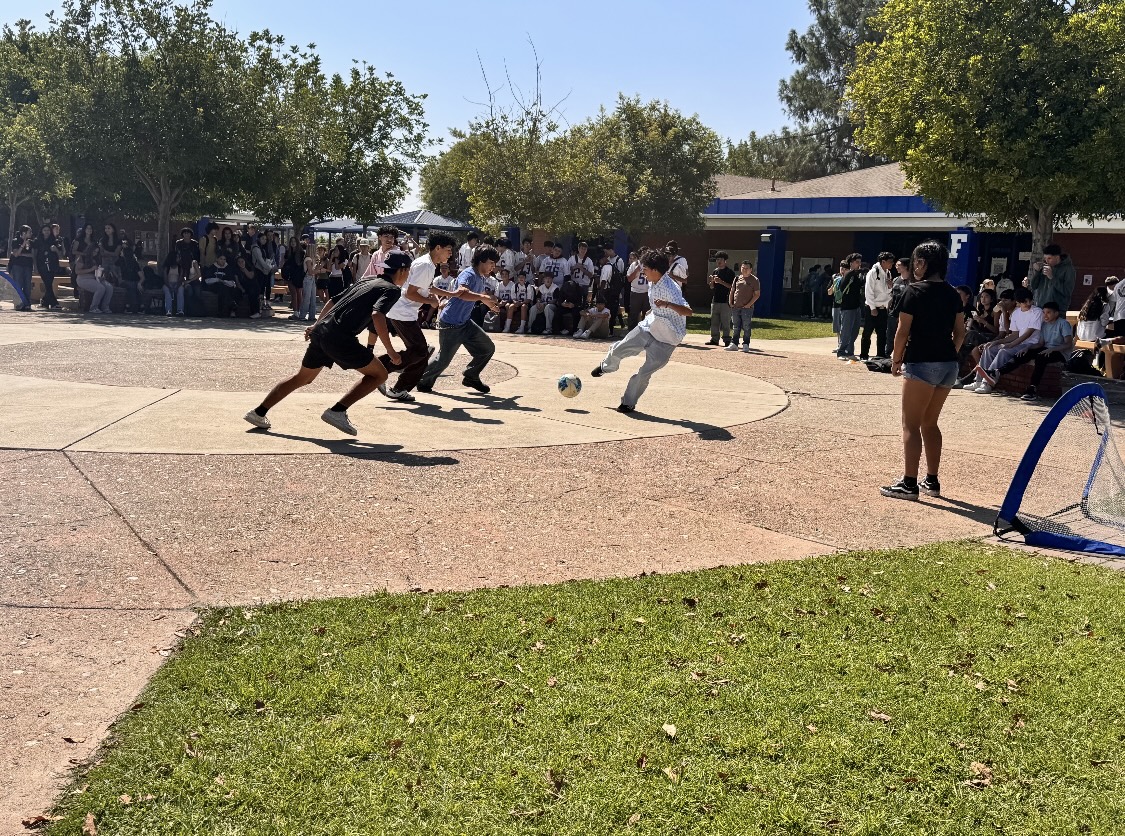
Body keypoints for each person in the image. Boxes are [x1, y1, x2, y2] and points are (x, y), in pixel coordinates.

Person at [244, 253, 412, 436]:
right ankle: (337, 411)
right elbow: (377, 315)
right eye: (408, 271)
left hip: (323, 332)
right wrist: (391, 351)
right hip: (340, 337)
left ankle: (258, 413)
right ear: (402, 270)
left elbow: (333, 300)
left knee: (302, 378)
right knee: (380, 375)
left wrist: (316, 325)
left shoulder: (366, 281)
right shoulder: (391, 289)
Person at [881, 240, 967, 501]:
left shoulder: (913, 291)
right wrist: (948, 352)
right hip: (948, 365)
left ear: (922, 263)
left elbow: (902, 331)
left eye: (917, 261)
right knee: (930, 423)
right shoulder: (953, 294)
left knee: (911, 424)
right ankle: (932, 480)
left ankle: (909, 483)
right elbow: (960, 332)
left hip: (921, 362)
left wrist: (896, 361)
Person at [590, 250, 691, 413]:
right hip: (650, 327)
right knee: (620, 347)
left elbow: (688, 311)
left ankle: (628, 403)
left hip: (668, 338)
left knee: (644, 374)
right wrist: (655, 310)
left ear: (655, 270)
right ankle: (606, 366)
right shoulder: (652, 281)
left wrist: (667, 304)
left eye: (645, 268)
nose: (642, 271)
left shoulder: (671, 289)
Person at [376, 236, 457, 402]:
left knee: (420, 353)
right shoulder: (425, 265)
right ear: (438, 248)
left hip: (404, 313)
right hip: (402, 313)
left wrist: (450, 294)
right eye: (448, 250)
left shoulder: (428, 264)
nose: (450, 254)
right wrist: (431, 302)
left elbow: (426, 287)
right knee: (421, 352)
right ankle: (380, 369)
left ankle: (399, 388)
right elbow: (410, 293)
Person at [416, 246, 502, 394]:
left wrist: (489, 304)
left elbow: (477, 294)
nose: (493, 267)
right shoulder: (468, 274)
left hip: (465, 323)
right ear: (481, 260)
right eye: (491, 263)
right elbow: (462, 293)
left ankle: (471, 376)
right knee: (443, 360)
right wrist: (482, 297)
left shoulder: (480, 277)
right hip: (451, 323)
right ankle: (421, 380)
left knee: (487, 348)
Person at [991, 301, 1074, 401]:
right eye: (1044, 312)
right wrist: (1028, 348)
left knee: (1040, 357)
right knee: (1023, 353)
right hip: (1046, 349)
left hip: (1060, 352)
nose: (1045, 315)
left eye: (1048, 312)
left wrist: (1052, 349)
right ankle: (998, 372)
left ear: (1056, 313)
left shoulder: (1063, 324)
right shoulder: (1044, 325)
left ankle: (1032, 388)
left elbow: (1068, 344)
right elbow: (1040, 344)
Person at [967, 288, 1043, 394]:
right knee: (989, 348)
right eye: (1025, 302)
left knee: (1004, 351)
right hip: (1017, 342)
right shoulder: (1017, 313)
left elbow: (1028, 334)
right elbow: (1015, 334)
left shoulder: (1037, 312)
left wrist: (1010, 345)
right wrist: (996, 342)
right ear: (1018, 302)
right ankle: (978, 380)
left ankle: (987, 383)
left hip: (1029, 344)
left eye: (1029, 300)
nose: (1028, 303)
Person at [861, 251, 894, 360]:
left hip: (883, 308)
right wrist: (872, 308)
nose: (892, 264)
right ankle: (864, 355)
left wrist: (890, 286)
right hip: (872, 307)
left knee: (882, 333)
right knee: (867, 332)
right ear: (883, 262)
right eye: (890, 262)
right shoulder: (873, 272)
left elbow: (887, 292)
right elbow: (868, 291)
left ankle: (880, 355)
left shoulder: (888, 273)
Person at [1029, 244, 1075, 313]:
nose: (1046, 261)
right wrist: (1037, 272)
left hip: (1057, 310)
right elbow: (1033, 286)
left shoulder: (1068, 269)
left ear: (1057, 257)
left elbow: (1067, 291)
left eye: (1049, 258)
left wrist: (1052, 277)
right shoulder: (1044, 266)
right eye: (1045, 258)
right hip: (1040, 307)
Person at [727, 260, 761, 352]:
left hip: (747, 308)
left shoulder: (754, 280)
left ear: (750, 270)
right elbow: (732, 291)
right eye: (743, 268)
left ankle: (746, 344)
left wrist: (749, 305)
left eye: (747, 268)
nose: (744, 270)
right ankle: (734, 343)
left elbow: (757, 294)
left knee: (746, 326)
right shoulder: (737, 278)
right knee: (735, 326)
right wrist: (731, 302)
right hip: (736, 307)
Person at [835, 253, 865, 359]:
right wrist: (855, 272)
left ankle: (849, 351)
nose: (859, 264)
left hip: (856, 306)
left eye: (860, 262)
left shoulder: (857, 275)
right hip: (847, 306)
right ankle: (841, 351)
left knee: (855, 330)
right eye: (857, 262)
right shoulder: (849, 274)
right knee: (846, 330)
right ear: (851, 263)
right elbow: (842, 287)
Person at [707, 252, 735, 346]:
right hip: (715, 300)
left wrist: (720, 281)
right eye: (717, 259)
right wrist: (711, 281)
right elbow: (711, 287)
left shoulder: (730, 272)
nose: (718, 261)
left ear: (725, 261)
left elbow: (731, 286)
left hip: (725, 301)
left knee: (725, 321)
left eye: (720, 259)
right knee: (714, 321)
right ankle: (714, 339)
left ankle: (727, 340)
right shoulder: (715, 271)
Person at [885, 257, 912, 350]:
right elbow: (892, 296)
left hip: (905, 313)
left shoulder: (913, 281)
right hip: (893, 313)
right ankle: (888, 355)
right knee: (890, 336)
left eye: (899, 265)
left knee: (904, 336)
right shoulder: (896, 279)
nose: (896, 267)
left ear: (906, 267)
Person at [32, 224, 61, 311]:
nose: (46, 232)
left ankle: (45, 302)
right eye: (45, 230)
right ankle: (54, 303)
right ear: (41, 231)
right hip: (42, 265)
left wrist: (55, 249)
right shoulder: (37, 241)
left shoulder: (54, 240)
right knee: (47, 283)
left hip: (52, 265)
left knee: (49, 283)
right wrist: (35, 267)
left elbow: (61, 254)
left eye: (48, 230)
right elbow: (34, 255)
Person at [8, 225, 35, 311]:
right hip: (17, 266)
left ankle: (27, 303)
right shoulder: (16, 241)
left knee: (27, 285)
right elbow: (16, 254)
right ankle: (19, 303)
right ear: (24, 233)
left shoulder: (31, 242)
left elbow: (32, 255)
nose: (31, 233)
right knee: (18, 284)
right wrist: (23, 245)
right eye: (29, 232)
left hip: (28, 266)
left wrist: (22, 254)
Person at [627, 250, 650, 329]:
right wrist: (636, 270)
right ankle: (631, 333)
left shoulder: (650, 265)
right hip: (636, 292)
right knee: (633, 314)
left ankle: (645, 333)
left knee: (647, 315)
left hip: (647, 292)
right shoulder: (634, 265)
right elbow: (629, 279)